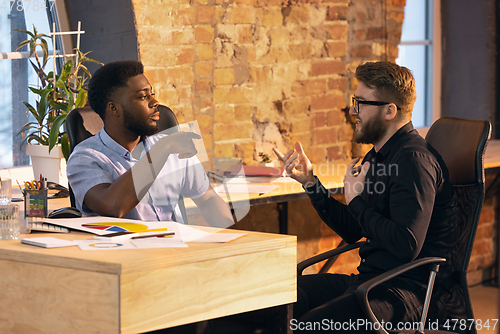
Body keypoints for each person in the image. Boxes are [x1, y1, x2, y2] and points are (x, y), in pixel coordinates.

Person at [274, 61, 456, 333]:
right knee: (270, 301)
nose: (352, 110)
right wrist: (312, 184)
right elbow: (354, 230)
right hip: (368, 281)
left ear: (389, 111)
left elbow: (407, 244)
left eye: (360, 102)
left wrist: (356, 201)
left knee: (310, 326)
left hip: (405, 294)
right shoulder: (378, 157)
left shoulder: (413, 161)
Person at [67, 60, 233, 228]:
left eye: (152, 94)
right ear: (114, 109)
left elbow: (209, 198)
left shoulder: (170, 147)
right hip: (126, 251)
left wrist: (230, 236)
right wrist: (163, 149)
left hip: (177, 249)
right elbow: (112, 207)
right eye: (143, 96)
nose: (155, 102)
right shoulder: (85, 158)